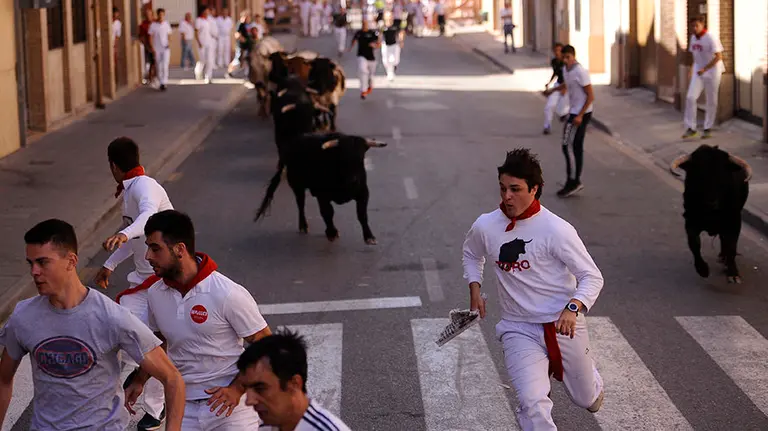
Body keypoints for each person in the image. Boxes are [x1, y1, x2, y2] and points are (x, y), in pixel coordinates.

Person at [462, 148, 605, 431]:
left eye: (515, 189)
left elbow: (592, 276)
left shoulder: (556, 230)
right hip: (518, 328)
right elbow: (471, 253)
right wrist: (474, 288)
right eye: (503, 188)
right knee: (531, 402)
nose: (506, 196)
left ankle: (591, 380)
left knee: (586, 398)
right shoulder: (486, 225)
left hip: (563, 326)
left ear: (534, 189)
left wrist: (573, 308)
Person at [0, 219, 185, 431]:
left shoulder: (111, 317)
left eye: (42, 262)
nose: (34, 271)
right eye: (30, 263)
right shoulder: (24, 316)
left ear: (71, 261)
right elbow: (3, 380)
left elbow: (172, 379)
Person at [124, 210, 273, 430]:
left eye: (155, 248)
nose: (148, 256)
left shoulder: (227, 293)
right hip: (183, 407)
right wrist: (140, 380)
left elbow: (266, 346)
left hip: (230, 409)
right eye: (148, 247)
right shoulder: (155, 293)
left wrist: (237, 389)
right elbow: (160, 343)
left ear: (180, 249)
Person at [94, 137, 174, 430]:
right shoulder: (130, 190)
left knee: (153, 343)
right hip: (142, 280)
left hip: (164, 278)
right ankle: (135, 381)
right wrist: (109, 263)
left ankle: (155, 409)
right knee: (128, 333)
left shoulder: (144, 187)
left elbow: (147, 218)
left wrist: (125, 234)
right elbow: (137, 233)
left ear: (113, 166)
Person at [238, 329, 351, 431]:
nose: (249, 401)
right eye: (246, 388)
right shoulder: (267, 426)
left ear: (294, 383)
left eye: (260, 388)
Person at [558, 44, 594, 197]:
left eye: (569, 57)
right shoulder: (565, 70)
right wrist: (553, 91)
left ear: (574, 56)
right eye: (564, 57)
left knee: (568, 146)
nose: (567, 61)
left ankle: (573, 180)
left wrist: (580, 115)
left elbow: (590, 96)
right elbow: (568, 86)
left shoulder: (581, 71)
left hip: (581, 113)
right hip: (573, 111)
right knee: (575, 146)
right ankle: (574, 180)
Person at [682, 15, 724, 140]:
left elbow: (719, 57)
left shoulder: (710, 37)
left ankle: (707, 128)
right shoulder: (693, 38)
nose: (694, 28)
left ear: (702, 25)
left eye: (697, 25)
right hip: (698, 70)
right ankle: (691, 128)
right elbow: (695, 56)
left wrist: (705, 69)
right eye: (692, 26)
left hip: (712, 71)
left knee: (711, 100)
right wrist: (691, 69)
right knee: (690, 97)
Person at [541, 42, 569, 135]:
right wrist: (549, 82)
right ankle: (547, 126)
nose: (557, 53)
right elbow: (555, 73)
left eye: (559, 51)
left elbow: (570, 77)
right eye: (555, 51)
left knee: (563, 108)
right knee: (549, 106)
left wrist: (565, 88)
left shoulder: (566, 63)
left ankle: (563, 116)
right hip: (558, 85)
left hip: (568, 87)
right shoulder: (554, 61)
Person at [349, 20, 380, 99]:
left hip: (371, 57)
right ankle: (363, 91)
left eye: (366, 24)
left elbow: (378, 43)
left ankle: (369, 86)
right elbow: (354, 40)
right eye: (363, 24)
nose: (364, 25)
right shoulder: (359, 33)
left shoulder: (372, 33)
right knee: (363, 71)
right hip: (361, 56)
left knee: (370, 76)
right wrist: (350, 48)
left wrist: (375, 45)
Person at [148, 8, 172, 91]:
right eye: (160, 14)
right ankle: (160, 79)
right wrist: (152, 48)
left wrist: (169, 43)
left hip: (165, 48)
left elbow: (169, 35)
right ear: (157, 15)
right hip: (157, 48)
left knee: (165, 65)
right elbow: (150, 37)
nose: (161, 16)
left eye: (162, 14)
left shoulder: (166, 24)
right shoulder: (153, 25)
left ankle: (164, 82)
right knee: (158, 65)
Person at [227, 11, 253, 79]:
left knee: (246, 60)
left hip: (247, 46)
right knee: (238, 60)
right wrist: (243, 39)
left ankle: (247, 74)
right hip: (241, 46)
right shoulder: (240, 24)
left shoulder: (247, 24)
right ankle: (230, 72)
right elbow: (237, 34)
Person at [195, 7, 216, 83]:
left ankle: (208, 77)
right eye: (207, 11)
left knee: (210, 60)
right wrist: (199, 42)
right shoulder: (199, 20)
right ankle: (198, 72)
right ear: (203, 11)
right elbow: (196, 32)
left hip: (209, 42)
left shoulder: (209, 20)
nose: (208, 12)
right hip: (202, 43)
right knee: (202, 60)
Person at [381, 17, 404, 81]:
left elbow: (401, 32)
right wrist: (378, 42)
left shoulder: (395, 27)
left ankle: (391, 71)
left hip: (394, 45)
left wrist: (401, 41)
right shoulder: (383, 27)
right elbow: (379, 35)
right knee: (386, 61)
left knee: (394, 60)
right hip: (385, 45)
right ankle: (389, 73)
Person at [139, 9, 156, 86]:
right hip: (147, 47)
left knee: (155, 62)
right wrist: (146, 45)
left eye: (149, 14)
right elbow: (141, 36)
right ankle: (149, 77)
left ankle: (154, 77)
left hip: (156, 46)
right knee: (148, 62)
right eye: (146, 14)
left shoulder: (156, 23)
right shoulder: (143, 25)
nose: (148, 16)